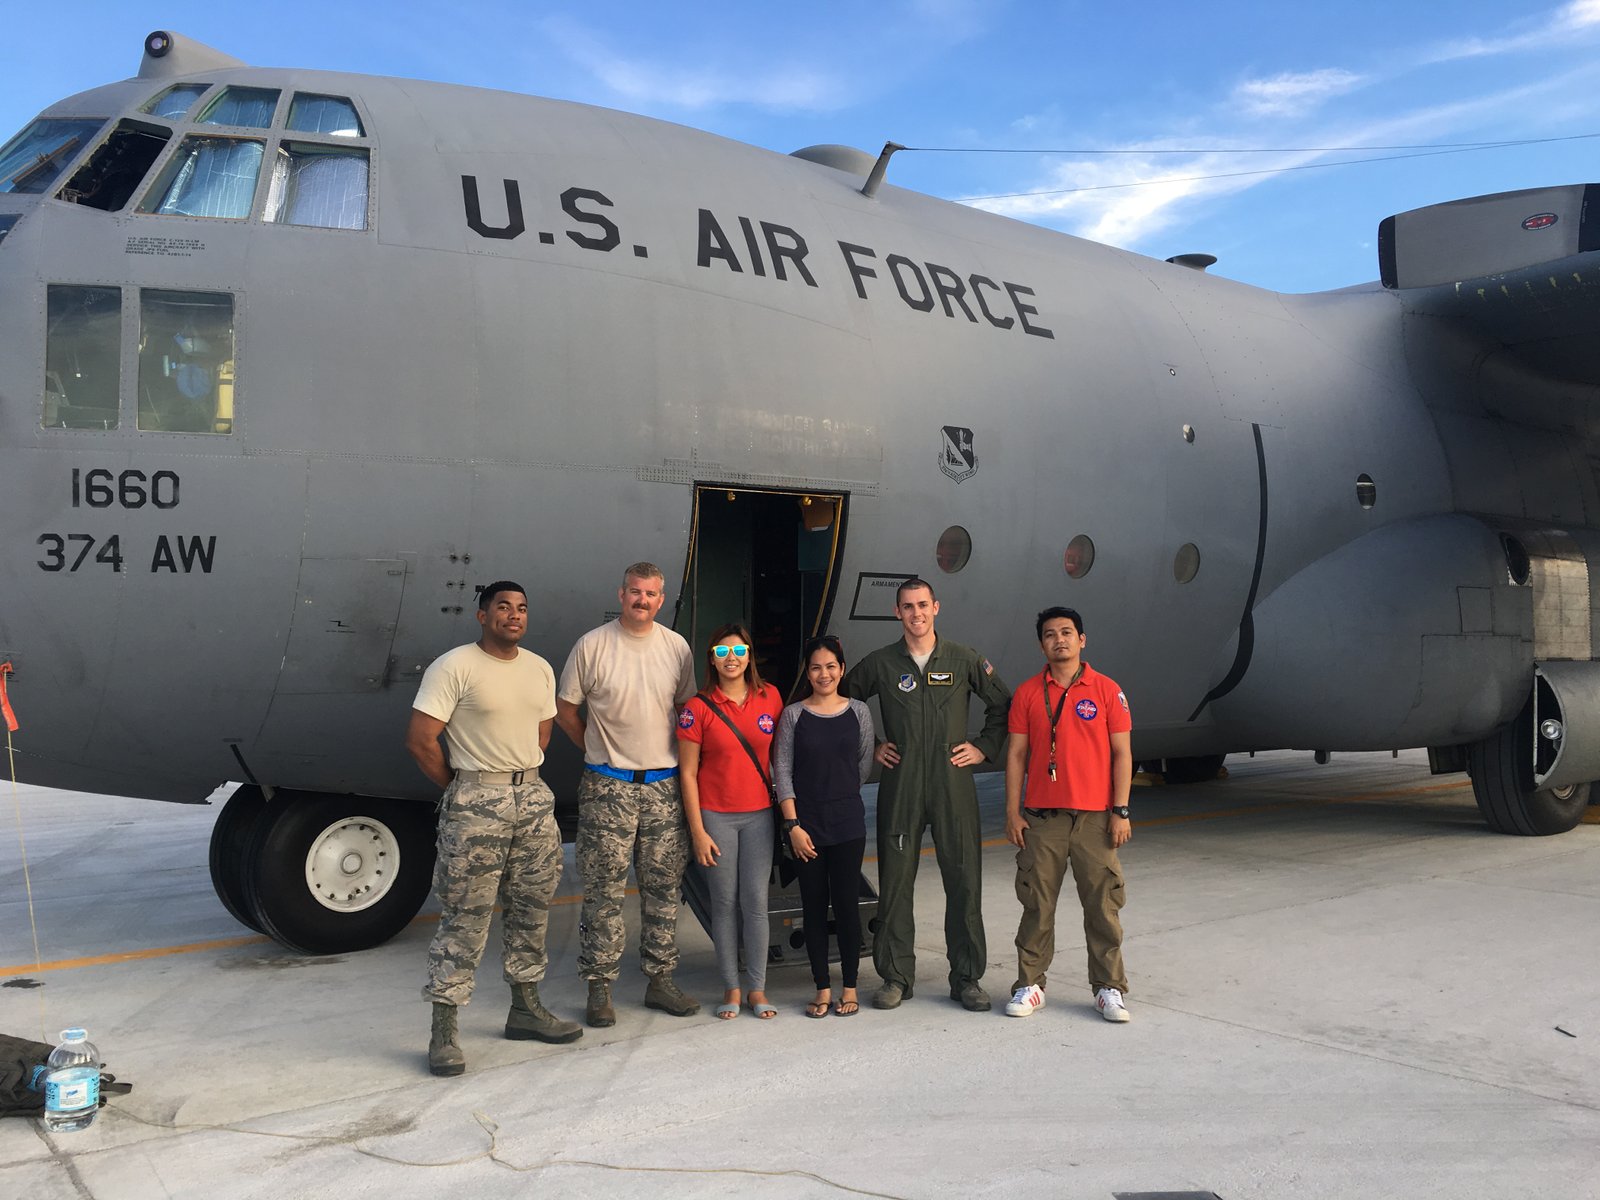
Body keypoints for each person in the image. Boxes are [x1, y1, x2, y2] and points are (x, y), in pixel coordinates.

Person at [405, 580, 582, 1077]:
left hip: (532, 797)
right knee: (466, 914)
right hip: (476, 801)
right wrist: (463, 789)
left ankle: (526, 1010)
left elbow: (542, 734)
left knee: (532, 909)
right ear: (483, 616)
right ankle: (444, 1030)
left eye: (521, 608)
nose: (514, 615)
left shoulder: (539, 668)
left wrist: (517, 780)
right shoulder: (455, 666)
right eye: (503, 607)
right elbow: (420, 740)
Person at [844, 578, 1011, 1012]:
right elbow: (842, 701)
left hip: (952, 781)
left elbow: (1003, 705)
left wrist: (983, 747)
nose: (916, 613)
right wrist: (873, 744)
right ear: (897, 612)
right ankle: (896, 977)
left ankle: (967, 978)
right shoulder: (881, 662)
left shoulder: (964, 658)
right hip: (901, 783)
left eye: (922, 605)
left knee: (964, 880)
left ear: (936, 607)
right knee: (896, 883)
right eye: (907, 606)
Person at [556, 562, 701, 1025]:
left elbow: (685, 710)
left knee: (663, 888)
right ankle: (599, 988)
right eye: (635, 592)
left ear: (661, 600)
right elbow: (565, 709)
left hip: (663, 786)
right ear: (621, 595)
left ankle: (660, 981)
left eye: (651, 594)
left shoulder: (676, 648)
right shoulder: (593, 645)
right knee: (603, 891)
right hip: (608, 786)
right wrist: (594, 749)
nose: (642, 600)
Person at [1003, 606, 1134, 1023]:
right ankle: (1030, 984)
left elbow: (1122, 754)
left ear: (1082, 640)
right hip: (1043, 819)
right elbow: (1017, 755)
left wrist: (1121, 810)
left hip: (1096, 818)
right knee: (1037, 904)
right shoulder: (1027, 693)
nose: (1058, 640)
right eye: (1049, 634)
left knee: (1102, 905)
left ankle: (1109, 988)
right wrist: (1012, 812)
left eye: (1066, 632)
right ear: (1041, 644)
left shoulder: (1107, 690)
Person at [676, 623, 784, 1020]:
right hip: (716, 817)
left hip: (759, 816)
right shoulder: (697, 708)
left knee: (755, 902)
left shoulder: (770, 697)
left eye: (738, 651)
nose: (731, 658)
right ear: (712, 659)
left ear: (750, 655)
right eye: (722, 652)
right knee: (724, 903)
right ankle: (731, 987)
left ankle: (757, 987)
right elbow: (687, 773)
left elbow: (781, 756)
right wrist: (697, 831)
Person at [772, 635, 876, 1018]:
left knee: (846, 906)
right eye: (816, 667)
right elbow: (782, 770)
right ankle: (822, 988)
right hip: (807, 827)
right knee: (813, 907)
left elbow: (862, 765)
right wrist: (793, 825)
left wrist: (840, 795)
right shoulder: (793, 715)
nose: (824, 674)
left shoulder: (859, 712)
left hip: (847, 824)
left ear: (842, 669)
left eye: (831, 666)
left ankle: (850, 986)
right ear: (808, 672)